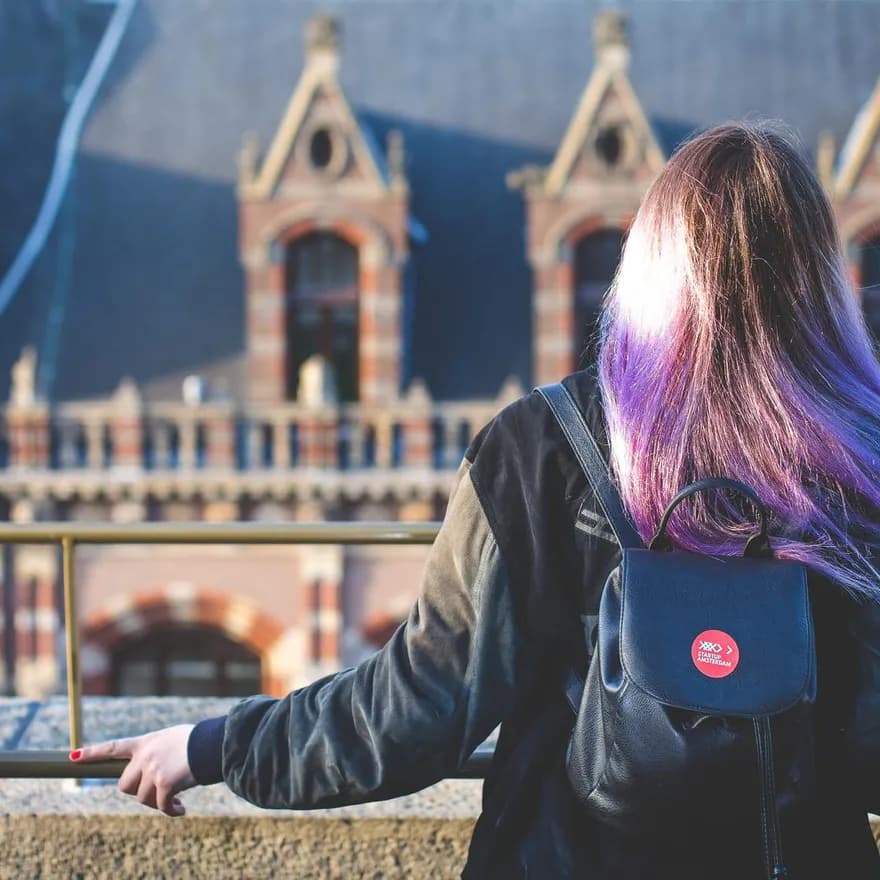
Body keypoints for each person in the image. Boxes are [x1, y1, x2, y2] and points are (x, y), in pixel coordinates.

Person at [73, 121, 880, 878]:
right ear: (817, 273)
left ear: (652, 263)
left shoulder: (542, 446)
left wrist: (219, 745)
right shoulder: (863, 457)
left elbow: (419, 706)